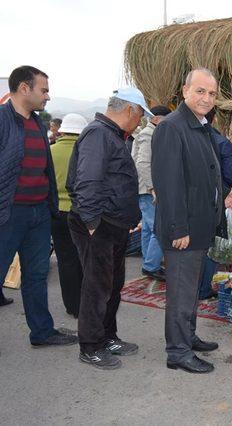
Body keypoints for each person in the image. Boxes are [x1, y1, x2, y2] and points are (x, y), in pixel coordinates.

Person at [67, 87, 150, 370]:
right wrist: (91, 222)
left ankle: (107, 336)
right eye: (140, 116)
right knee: (96, 287)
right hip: (97, 225)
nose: (140, 122)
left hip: (112, 224)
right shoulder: (99, 134)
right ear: (129, 110)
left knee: (112, 285)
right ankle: (90, 346)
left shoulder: (113, 135)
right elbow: (88, 180)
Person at [152, 68, 224, 374]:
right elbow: (169, 184)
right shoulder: (172, 127)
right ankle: (178, 352)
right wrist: (177, 228)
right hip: (183, 230)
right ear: (185, 91)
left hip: (199, 227)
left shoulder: (199, 125)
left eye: (211, 93)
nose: (206, 98)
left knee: (191, 290)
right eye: (200, 91)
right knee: (181, 293)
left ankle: (188, 336)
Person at [0, 65, 77, 346]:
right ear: (24, 88)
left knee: (36, 275)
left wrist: (49, 206)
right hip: (8, 214)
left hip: (39, 213)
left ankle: (42, 332)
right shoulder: (2, 120)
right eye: (43, 90)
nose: (47, 96)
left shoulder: (37, 122)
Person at [198, 106, 232, 300]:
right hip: (214, 199)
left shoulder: (185, 139)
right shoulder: (221, 142)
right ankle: (204, 289)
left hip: (189, 201)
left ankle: (189, 289)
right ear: (214, 119)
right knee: (210, 244)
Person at [50, 113, 88, 318]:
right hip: (81, 212)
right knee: (84, 258)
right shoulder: (85, 151)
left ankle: (72, 306)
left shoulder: (51, 151)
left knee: (65, 260)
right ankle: (85, 302)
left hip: (56, 213)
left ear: (62, 130)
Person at [131, 105, 172, 282]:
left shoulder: (145, 134)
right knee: (159, 228)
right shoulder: (149, 135)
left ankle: (148, 262)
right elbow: (142, 163)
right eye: (165, 119)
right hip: (149, 189)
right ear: (155, 119)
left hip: (143, 188)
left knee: (148, 228)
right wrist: (153, 188)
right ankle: (151, 266)